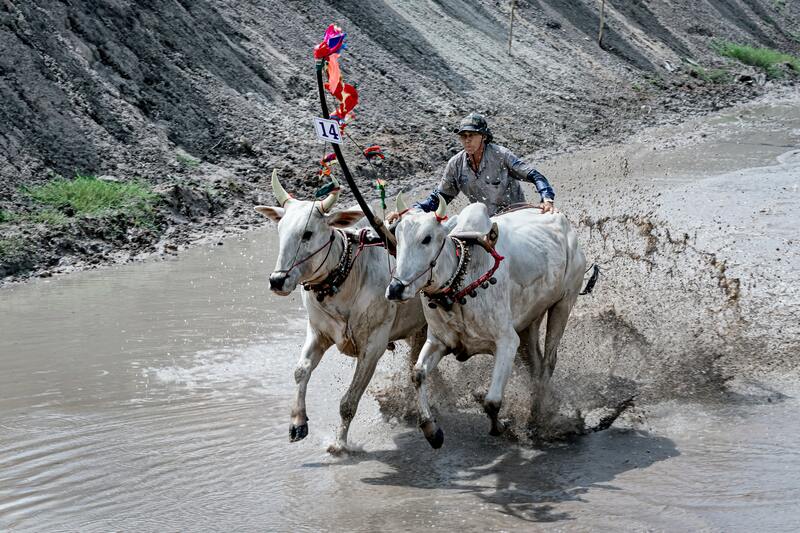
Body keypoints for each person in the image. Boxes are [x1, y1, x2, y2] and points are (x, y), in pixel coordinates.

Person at [387, 112, 556, 222]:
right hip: (485, 221)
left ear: (483, 136)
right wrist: (408, 211)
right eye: (463, 136)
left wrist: (546, 199)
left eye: (472, 135)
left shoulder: (501, 155)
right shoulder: (455, 164)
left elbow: (535, 175)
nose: (467, 140)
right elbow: (439, 198)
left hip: (515, 219)